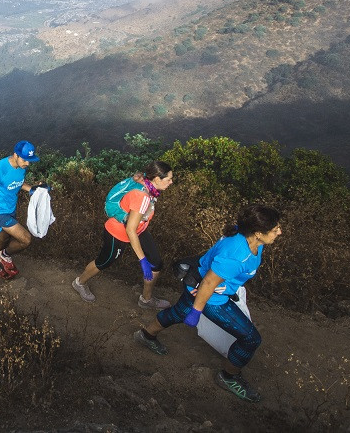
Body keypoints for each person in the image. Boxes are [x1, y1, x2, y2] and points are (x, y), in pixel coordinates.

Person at [133, 204, 283, 403]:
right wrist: (197, 311)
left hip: (197, 283)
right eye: (275, 229)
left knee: (178, 312)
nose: (280, 231)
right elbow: (210, 282)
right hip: (211, 296)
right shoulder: (237, 254)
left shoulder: (245, 235)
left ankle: (146, 335)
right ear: (257, 233)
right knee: (250, 339)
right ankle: (228, 377)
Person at [71, 161, 174, 309]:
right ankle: (79, 283)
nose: (171, 182)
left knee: (156, 263)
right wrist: (142, 260)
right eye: (168, 179)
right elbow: (130, 230)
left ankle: (146, 300)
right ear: (157, 179)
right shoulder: (142, 196)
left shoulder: (145, 180)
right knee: (104, 262)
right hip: (117, 233)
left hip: (139, 228)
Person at [0, 140, 42, 279]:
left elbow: (18, 183)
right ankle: (5, 255)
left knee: (3, 238)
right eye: (25, 160)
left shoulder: (21, 167)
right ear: (16, 155)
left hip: (10, 209)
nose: (28, 164)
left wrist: (32, 189)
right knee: (25, 239)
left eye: (29, 160)